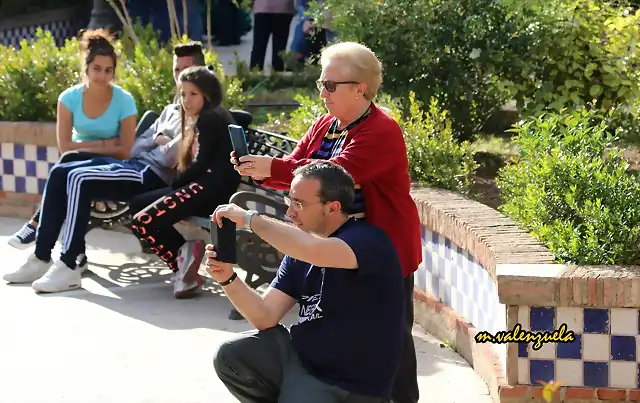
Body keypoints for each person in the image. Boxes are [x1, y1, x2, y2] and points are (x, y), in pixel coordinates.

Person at [231, 41, 422, 403]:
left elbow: (335, 177)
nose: (323, 92)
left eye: (331, 85)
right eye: (321, 83)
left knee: (394, 343)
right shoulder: (326, 124)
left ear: (360, 88)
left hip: (379, 251)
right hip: (332, 241)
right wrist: (260, 170)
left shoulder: (382, 131)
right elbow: (299, 168)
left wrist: (270, 169)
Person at [0, 43, 213, 294]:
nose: (180, 76)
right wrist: (155, 141)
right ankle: (41, 255)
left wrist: (157, 143)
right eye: (176, 70)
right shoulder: (170, 110)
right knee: (61, 171)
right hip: (136, 165)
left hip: (151, 176)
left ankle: (68, 264)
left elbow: (170, 156)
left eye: (186, 69)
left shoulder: (200, 113)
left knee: (79, 178)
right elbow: (137, 145)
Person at [206, 161, 404, 403]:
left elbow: (316, 251)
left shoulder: (369, 241)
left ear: (332, 207)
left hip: (350, 385)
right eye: (290, 201)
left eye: (299, 204)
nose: (290, 212)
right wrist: (227, 277)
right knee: (232, 356)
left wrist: (250, 219)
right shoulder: (298, 253)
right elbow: (265, 316)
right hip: (301, 361)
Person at [7, 29, 136, 251]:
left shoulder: (124, 100)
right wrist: (105, 145)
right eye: (96, 69)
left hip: (111, 167)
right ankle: (65, 252)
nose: (101, 76)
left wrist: (88, 148)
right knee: (69, 162)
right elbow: (64, 146)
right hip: (75, 161)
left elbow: (125, 152)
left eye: (108, 71)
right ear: (86, 68)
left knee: (68, 163)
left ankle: (36, 225)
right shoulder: (68, 98)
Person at [129, 66, 240, 298]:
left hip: (210, 191)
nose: (186, 101)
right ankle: (184, 260)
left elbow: (201, 165)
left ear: (207, 95)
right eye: (183, 94)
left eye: (193, 94)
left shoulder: (209, 119)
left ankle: (182, 265)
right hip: (203, 187)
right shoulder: (207, 117)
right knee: (139, 203)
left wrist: (176, 185)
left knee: (143, 222)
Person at [249, 0, 296, 72]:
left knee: (259, 47)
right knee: (279, 49)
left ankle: (254, 77)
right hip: (283, 8)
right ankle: (277, 77)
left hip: (262, 7)